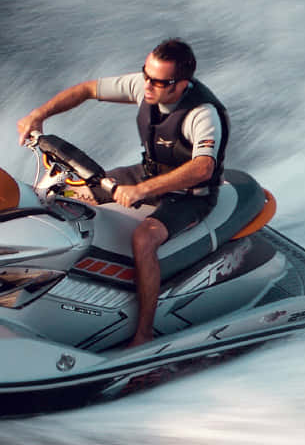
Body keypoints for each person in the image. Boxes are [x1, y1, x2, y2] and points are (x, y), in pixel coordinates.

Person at [16, 38, 228, 347]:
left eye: (159, 81)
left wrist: (140, 190)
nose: (148, 86)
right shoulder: (145, 85)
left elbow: (203, 169)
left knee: (144, 239)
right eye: (146, 74)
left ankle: (144, 333)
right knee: (63, 193)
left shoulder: (203, 114)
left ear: (182, 84)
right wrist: (40, 113)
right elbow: (87, 90)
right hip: (148, 174)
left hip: (189, 196)